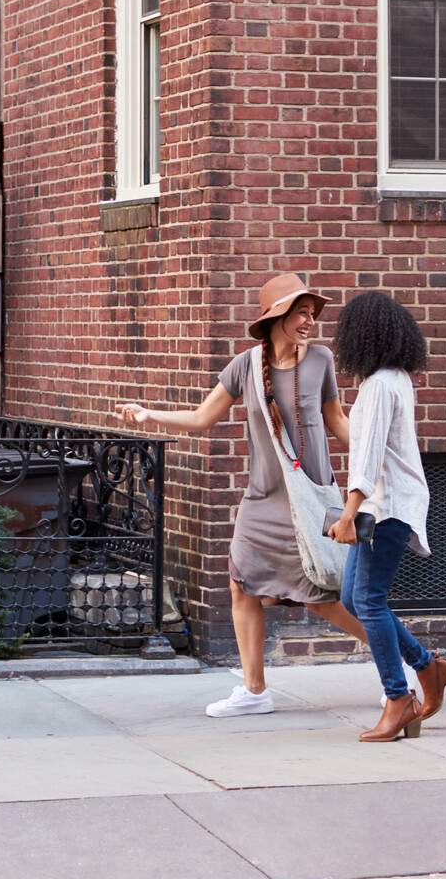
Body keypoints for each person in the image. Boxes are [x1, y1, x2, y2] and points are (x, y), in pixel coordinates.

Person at [114, 273, 370, 719]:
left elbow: (338, 421)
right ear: (276, 316)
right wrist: (147, 412)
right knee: (241, 586)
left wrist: (375, 453)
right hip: (262, 499)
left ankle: (404, 662)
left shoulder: (321, 360)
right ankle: (254, 691)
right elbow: (201, 418)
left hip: (307, 496)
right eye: (301, 312)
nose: (310, 320)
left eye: (313, 312)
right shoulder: (246, 365)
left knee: (320, 596)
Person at [325, 291, 446, 742]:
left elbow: (367, 457)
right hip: (384, 505)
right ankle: (429, 666)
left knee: (369, 600)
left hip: (386, 508)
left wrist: (348, 514)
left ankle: (399, 698)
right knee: (352, 598)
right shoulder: (393, 379)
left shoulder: (381, 385)